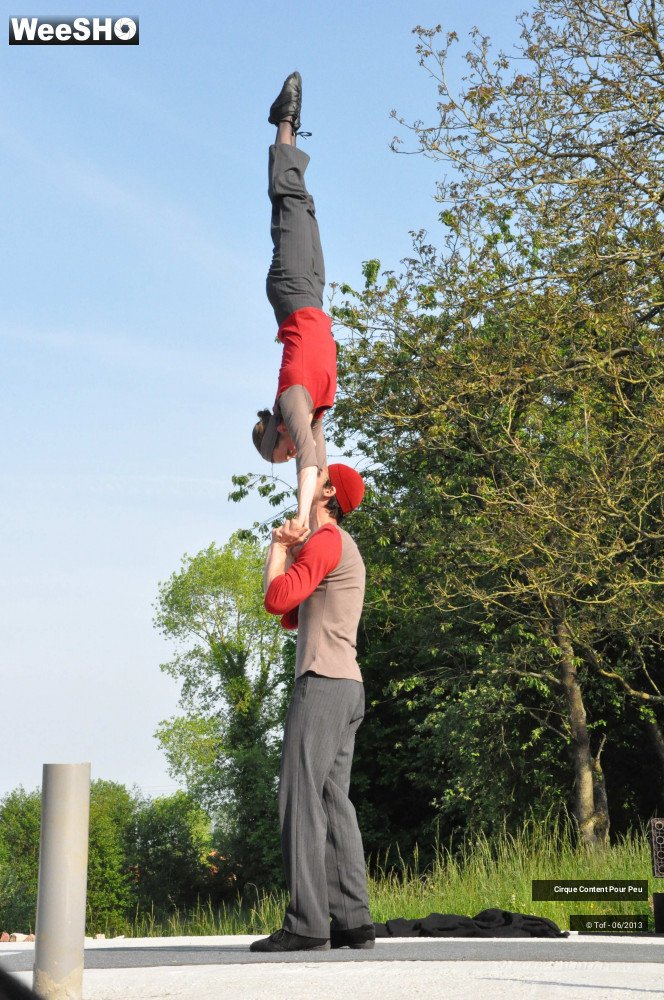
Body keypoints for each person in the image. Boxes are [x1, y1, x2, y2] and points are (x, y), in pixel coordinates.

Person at [250, 463, 375, 953]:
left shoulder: (327, 542)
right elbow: (290, 615)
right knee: (331, 801)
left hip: (322, 684)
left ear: (329, 494)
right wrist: (290, 549)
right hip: (348, 687)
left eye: (319, 478)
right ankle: (352, 921)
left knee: (299, 800)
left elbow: (276, 595)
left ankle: (306, 924)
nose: (311, 478)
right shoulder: (337, 547)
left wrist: (280, 547)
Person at [252, 71, 337, 535]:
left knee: (287, 198)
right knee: (303, 203)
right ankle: (287, 127)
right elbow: (319, 466)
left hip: (293, 290)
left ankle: (283, 121)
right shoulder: (315, 413)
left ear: (278, 435)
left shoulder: (293, 397)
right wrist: (322, 526)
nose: (290, 458)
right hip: (312, 296)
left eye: (282, 454)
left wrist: (301, 518)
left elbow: (305, 458)